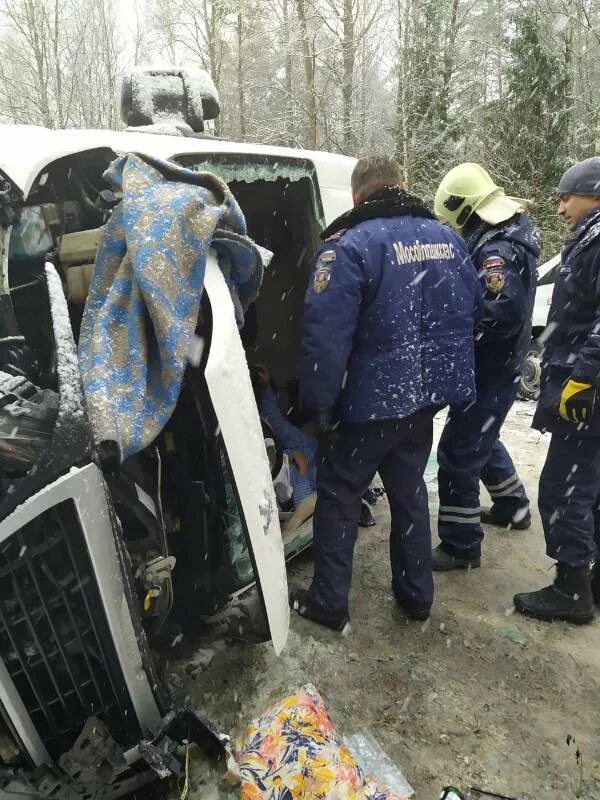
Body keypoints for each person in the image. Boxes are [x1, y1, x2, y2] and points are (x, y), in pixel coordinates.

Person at [289, 156, 481, 632]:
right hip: (422, 400)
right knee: (410, 493)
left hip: (368, 406)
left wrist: (318, 406)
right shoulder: (448, 239)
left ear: (358, 196)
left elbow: (325, 341)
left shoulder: (347, 248)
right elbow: (471, 311)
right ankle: (417, 596)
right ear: (402, 184)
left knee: (338, 494)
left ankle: (330, 602)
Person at [431, 163, 540, 572]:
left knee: (458, 452)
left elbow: (500, 313)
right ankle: (514, 506)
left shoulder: (495, 251)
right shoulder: (514, 234)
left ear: (465, 209)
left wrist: (460, 329)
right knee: (482, 436)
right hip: (504, 364)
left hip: (491, 366)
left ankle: (460, 545)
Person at [514, 157, 600, 624]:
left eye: (568, 196)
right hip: (584, 383)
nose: (561, 206)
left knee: (564, 490)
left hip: (587, 390)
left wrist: (584, 377)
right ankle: (590, 582)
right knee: (590, 489)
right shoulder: (589, 239)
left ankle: (571, 591)